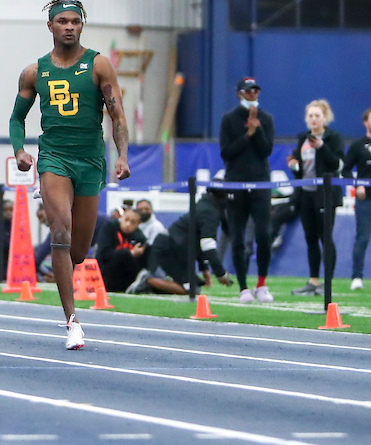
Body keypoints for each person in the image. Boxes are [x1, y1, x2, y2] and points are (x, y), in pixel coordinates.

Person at [10, 0, 129, 350]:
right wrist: (19, 150)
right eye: (62, 21)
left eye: (76, 21)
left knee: (78, 251)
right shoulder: (35, 71)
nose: (69, 27)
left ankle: (57, 201)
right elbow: (17, 118)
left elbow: (117, 115)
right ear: (50, 26)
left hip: (90, 159)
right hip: (54, 157)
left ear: (82, 26)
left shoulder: (99, 65)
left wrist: (122, 155)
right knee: (59, 231)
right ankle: (72, 321)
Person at [219, 77, 276, 304]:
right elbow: (227, 152)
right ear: (239, 94)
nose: (252, 95)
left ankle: (261, 284)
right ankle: (243, 287)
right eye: (247, 92)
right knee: (238, 237)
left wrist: (258, 131)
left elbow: (266, 151)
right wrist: (247, 135)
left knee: (264, 235)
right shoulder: (229, 119)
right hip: (236, 183)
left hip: (260, 182)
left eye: (255, 91)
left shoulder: (266, 119)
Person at [129, 189, 233, 295]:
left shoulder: (207, 206)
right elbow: (207, 245)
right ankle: (147, 281)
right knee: (192, 290)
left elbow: (200, 242)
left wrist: (205, 271)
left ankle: (153, 284)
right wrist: (220, 273)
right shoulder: (209, 211)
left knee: (194, 285)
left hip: (175, 249)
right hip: (170, 249)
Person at [288, 100, 344, 296]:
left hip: (325, 195)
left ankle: (326, 282)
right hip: (306, 194)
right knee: (310, 238)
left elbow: (336, 164)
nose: (313, 119)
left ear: (324, 118)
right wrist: (293, 163)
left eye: (317, 116)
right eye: (310, 116)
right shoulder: (303, 138)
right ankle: (313, 281)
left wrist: (321, 146)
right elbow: (296, 159)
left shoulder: (333, 137)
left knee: (325, 237)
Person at [343, 108, 371, 291]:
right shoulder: (358, 145)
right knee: (362, 237)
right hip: (365, 199)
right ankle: (357, 277)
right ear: (365, 122)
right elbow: (345, 170)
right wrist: (356, 185)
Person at [95, 206, 148, 292]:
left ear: (137, 225)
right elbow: (103, 253)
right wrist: (129, 253)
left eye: (133, 222)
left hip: (127, 274)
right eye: (126, 220)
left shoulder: (139, 237)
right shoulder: (110, 227)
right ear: (121, 218)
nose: (128, 224)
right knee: (124, 255)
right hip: (107, 269)